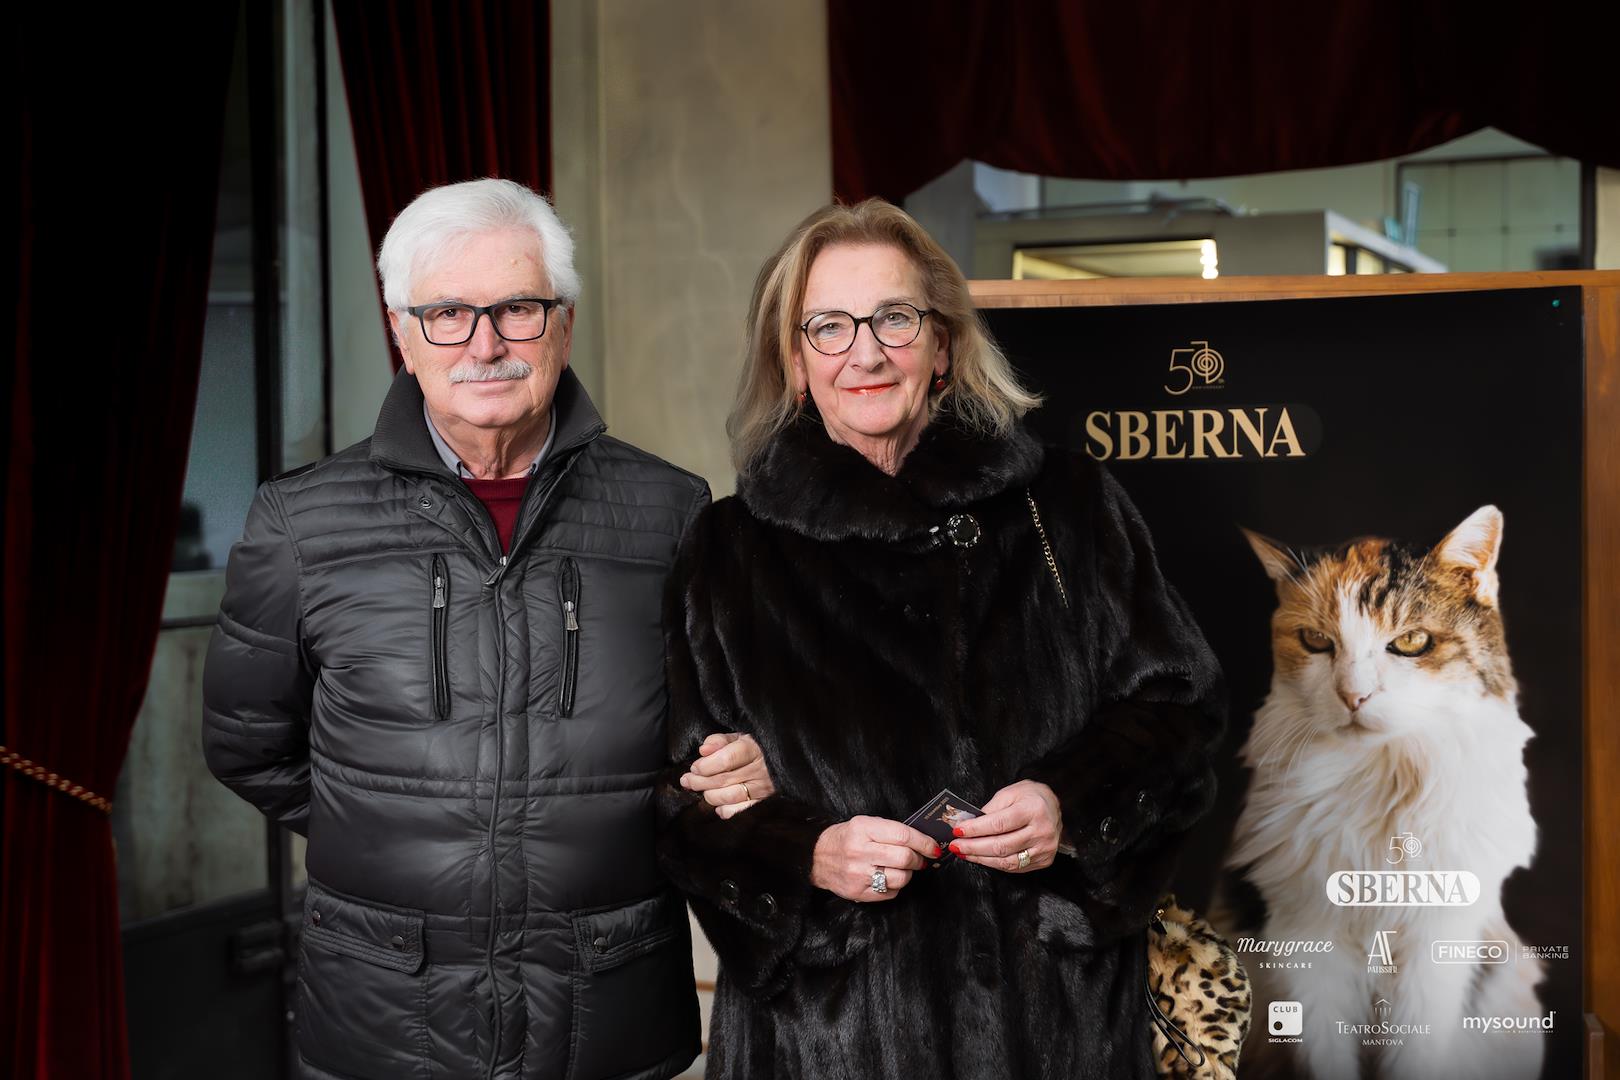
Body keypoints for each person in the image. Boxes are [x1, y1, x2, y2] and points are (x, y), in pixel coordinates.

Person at [202, 178, 772, 1080]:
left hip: (610, 1006)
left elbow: (710, 740)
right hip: (384, 1013)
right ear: (402, 333)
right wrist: (390, 829)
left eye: (517, 309)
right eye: (447, 314)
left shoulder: (671, 511)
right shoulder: (301, 521)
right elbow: (247, 745)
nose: (485, 344)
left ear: (564, 324)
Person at [655, 199, 1225, 1078]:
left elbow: (1181, 711)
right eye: (829, 327)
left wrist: (1071, 808)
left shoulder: (1068, 507)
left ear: (944, 345)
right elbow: (680, 803)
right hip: (825, 1042)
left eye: (895, 317)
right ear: (795, 362)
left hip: (1056, 1030)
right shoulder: (731, 549)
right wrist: (807, 854)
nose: (866, 353)